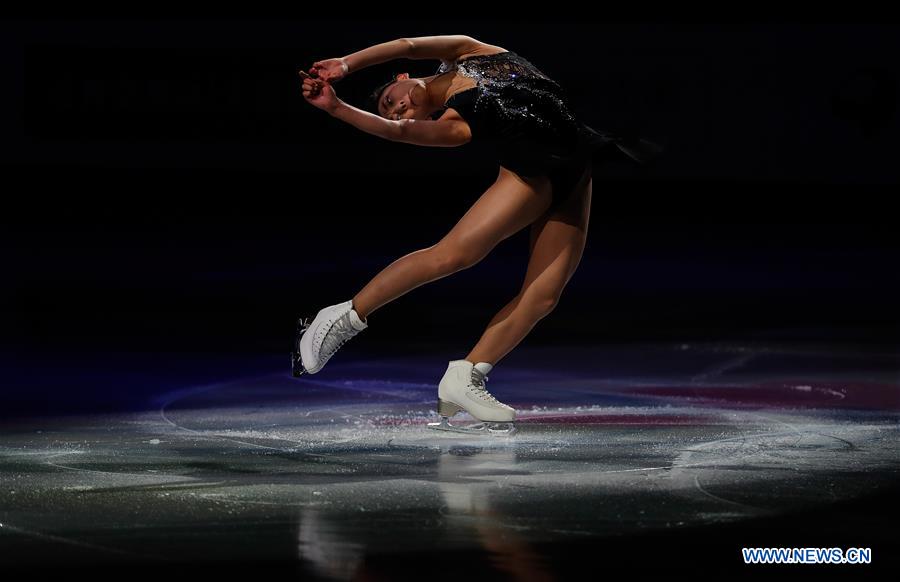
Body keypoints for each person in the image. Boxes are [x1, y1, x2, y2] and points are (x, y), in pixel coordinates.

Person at [292, 35, 662, 434]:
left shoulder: (472, 53)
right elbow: (395, 133)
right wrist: (336, 107)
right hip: (530, 178)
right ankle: (342, 317)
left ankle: (466, 375)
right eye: (395, 112)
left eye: (390, 100)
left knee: (544, 296)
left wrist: (346, 65)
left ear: (401, 79)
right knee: (453, 256)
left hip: (576, 169)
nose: (398, 108)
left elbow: (408, 45)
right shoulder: (455, 126)